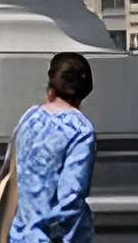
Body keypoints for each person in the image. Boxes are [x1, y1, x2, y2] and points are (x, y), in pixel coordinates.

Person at [8, 52, 96, 243]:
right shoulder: (80, 130)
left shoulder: (29, 117)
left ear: (51, 86)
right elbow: (71, 198)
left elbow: (10, 171)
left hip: (20, 236)